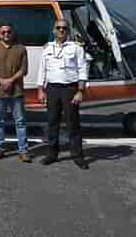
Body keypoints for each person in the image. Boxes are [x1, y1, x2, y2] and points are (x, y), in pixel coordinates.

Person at [37, 18, 90, 170]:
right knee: (52, 123)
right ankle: (52, 154)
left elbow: (82, 69)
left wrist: (80, 91)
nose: (61, 30)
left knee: (73, 124)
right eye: (58, 28)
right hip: (52, 89)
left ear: (68, 31)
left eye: (64, 28)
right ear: (54, 30)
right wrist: (40, 89)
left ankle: (78, 156)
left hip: (70, 89)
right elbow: (42, 70)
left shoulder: (76, 48)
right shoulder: (47, 48)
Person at [0, 22, 31, 162]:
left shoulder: (21, 49)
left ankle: (23, 151)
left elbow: (24, 70)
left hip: (16, 91)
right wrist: (2, 81)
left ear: (13, 33)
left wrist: (10, 80)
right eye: (3, 32)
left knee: (20, 121)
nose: (6, 34)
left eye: (8, 32)